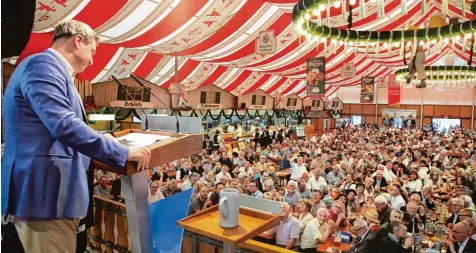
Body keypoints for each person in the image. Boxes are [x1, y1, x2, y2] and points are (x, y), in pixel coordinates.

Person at [1, 20, 151, 253]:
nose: (92, 61)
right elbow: (63, 125)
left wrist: (105, 136)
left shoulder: (52, 71)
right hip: (46, 199)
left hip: (50, 196)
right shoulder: (42, 66)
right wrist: (120, 152)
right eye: (92, 52)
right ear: (77, 40)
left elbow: (65, 124)